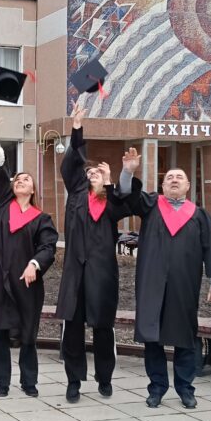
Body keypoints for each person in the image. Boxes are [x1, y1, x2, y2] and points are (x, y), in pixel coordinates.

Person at [117, 156, 211, 408]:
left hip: (184, 284)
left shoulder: (198, 215)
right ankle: (156, 388)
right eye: (169, 177)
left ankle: (185, 388)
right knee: (152, 337)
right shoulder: (150, 205)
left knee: (185, 337)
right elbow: (128, 195)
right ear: (163, 185)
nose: (174, 180)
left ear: (188, 186)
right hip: (151, 283)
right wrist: (127, 172)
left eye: (179, 177)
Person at [56, 103, 132, 403]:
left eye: (97, 173)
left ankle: (105, 377)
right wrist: (77, 128)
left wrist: (110, 181)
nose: (91, 175)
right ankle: (73, 381)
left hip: (102, 276)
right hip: (75, 274)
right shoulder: (76, 195)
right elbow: (71, 165)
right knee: (73, 330)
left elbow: (125, 205)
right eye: (88, 173)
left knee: (103, 328)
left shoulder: (111, 202)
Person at [0, 114, 58, 397]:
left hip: (27, 284)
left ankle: (29, 382)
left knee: (28, 336)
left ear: (33, 189)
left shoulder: (42, 218)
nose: (20, 181)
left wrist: (34, 264)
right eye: (17, 179)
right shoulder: (3, 205)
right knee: (0, 334)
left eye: (26, 179)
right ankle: (2, 383)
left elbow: (48, 247)